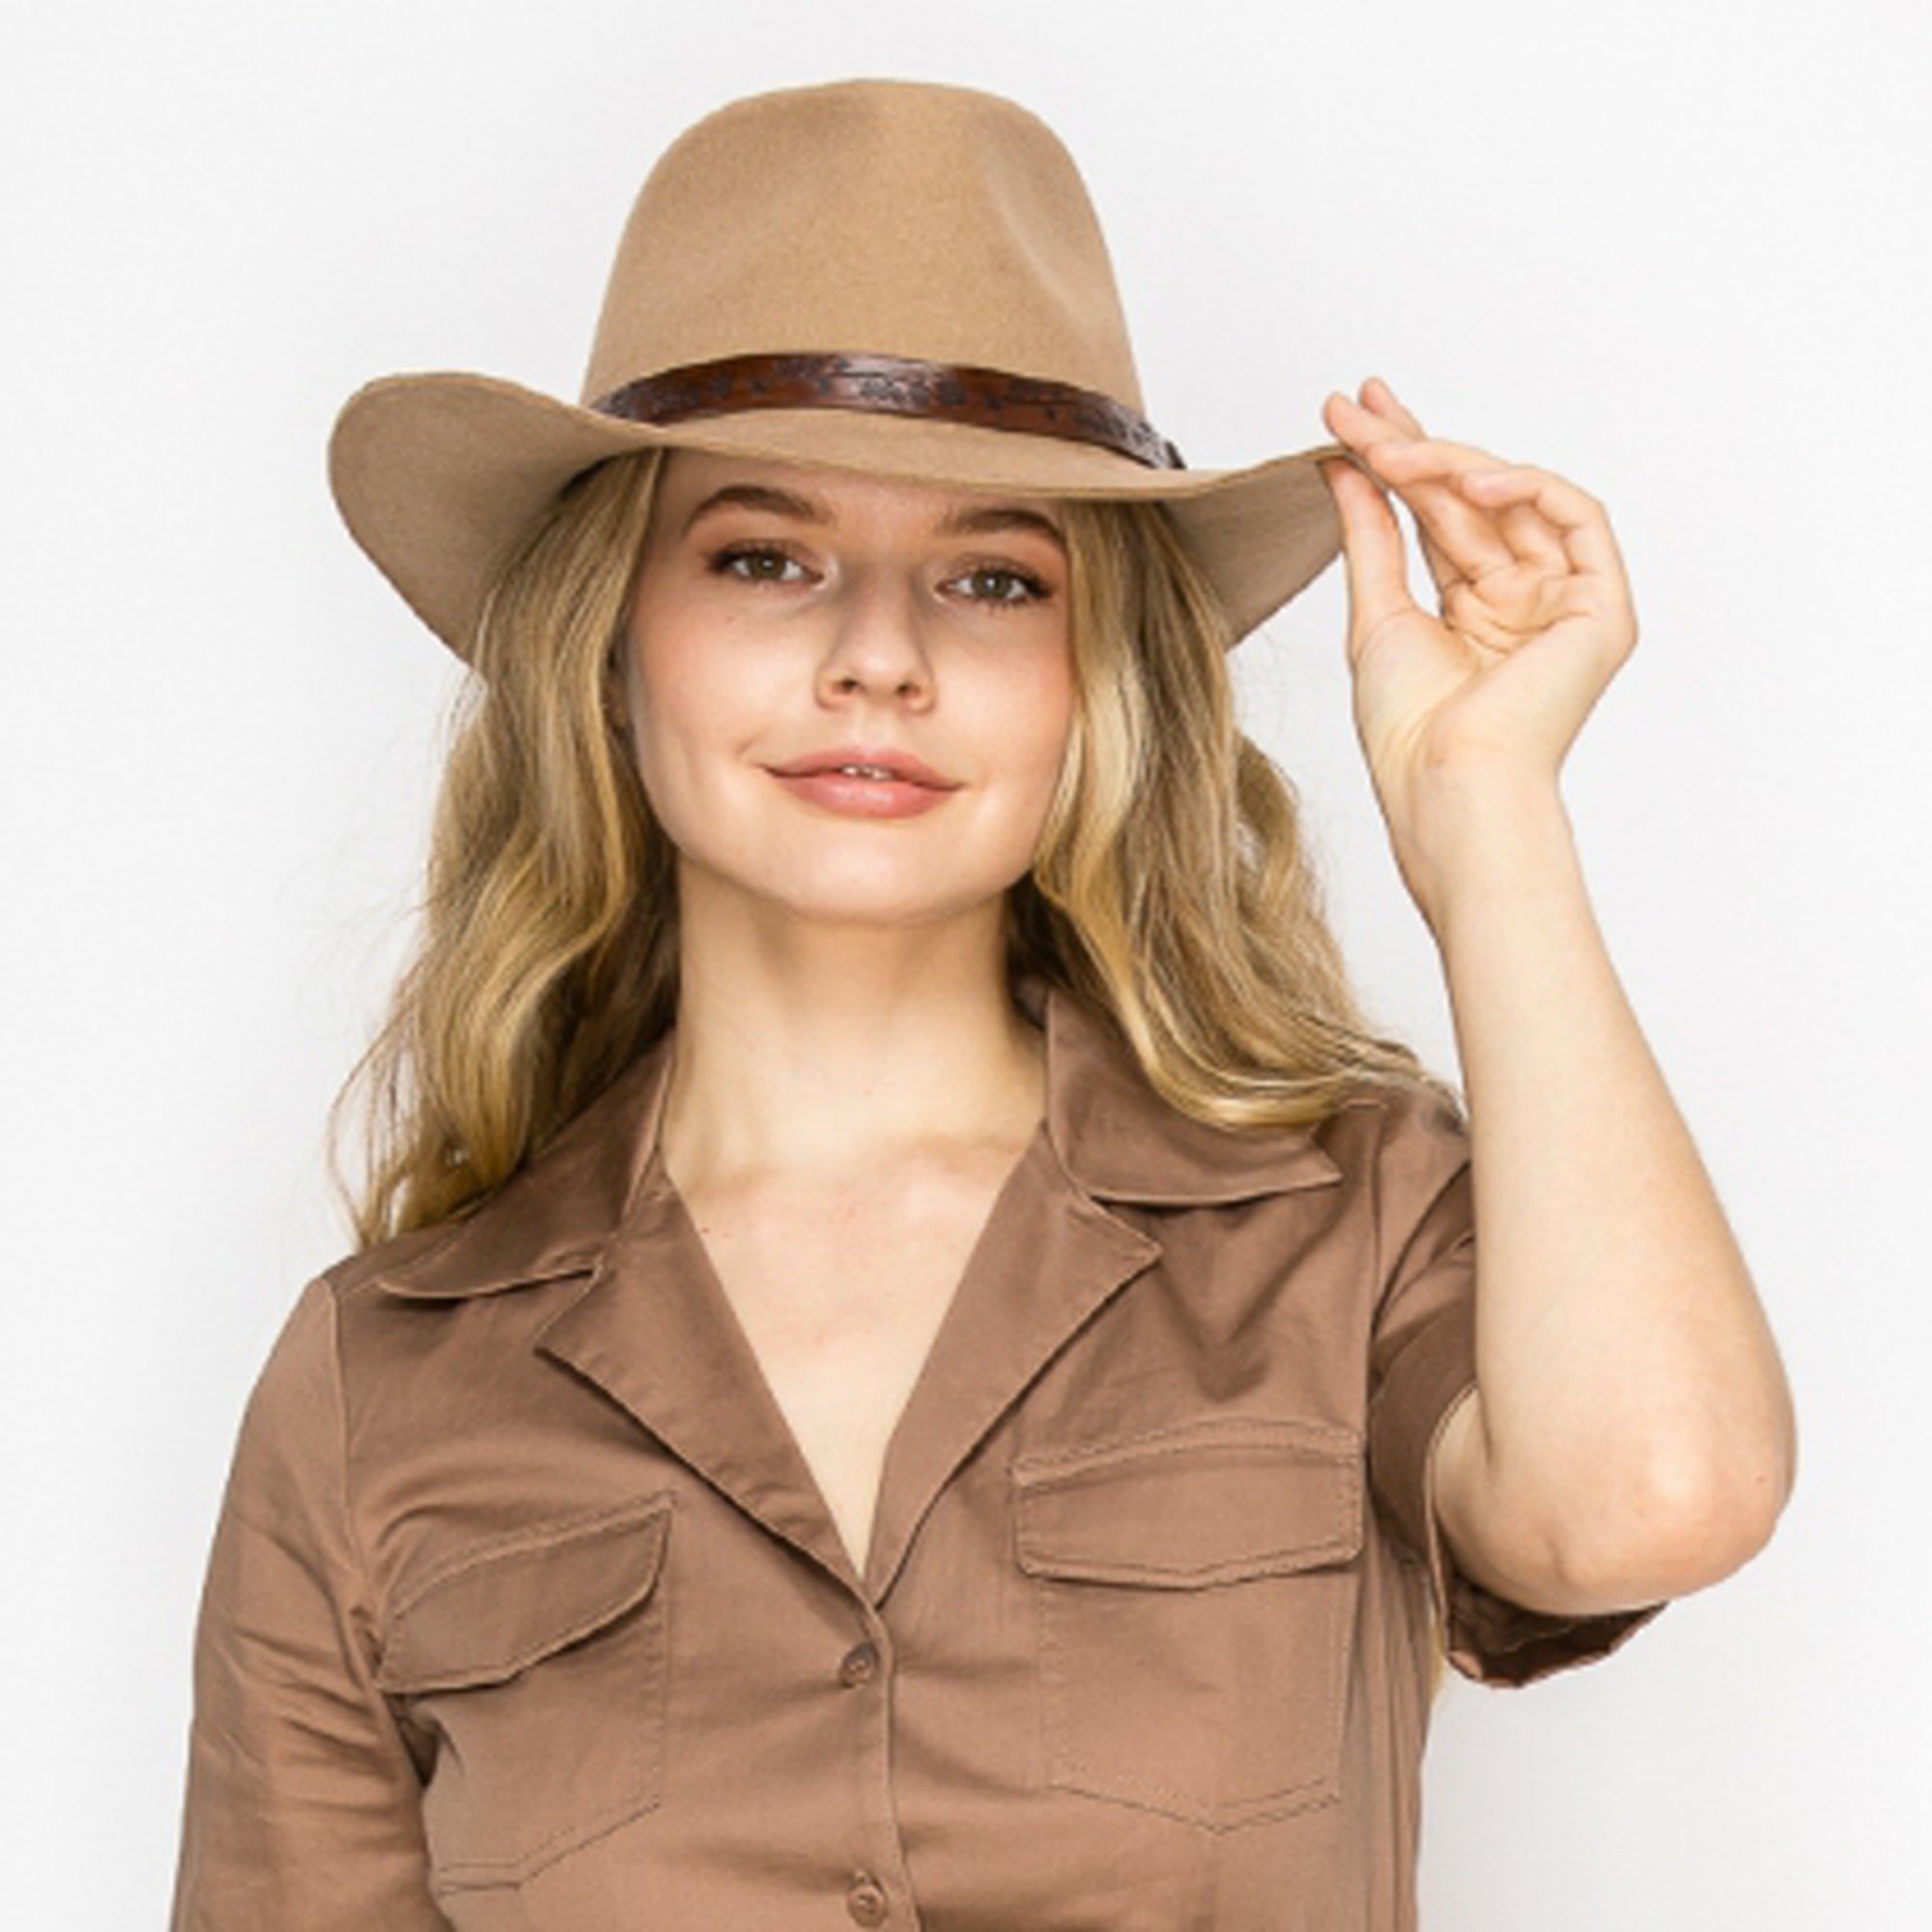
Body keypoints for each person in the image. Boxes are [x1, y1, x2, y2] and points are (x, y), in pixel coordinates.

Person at [167, 77, 1797, 1932]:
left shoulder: (1342, 1221)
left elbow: (1657, 1497)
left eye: (993, 578)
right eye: (764, 558)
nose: (879, 657)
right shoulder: (380, 1383)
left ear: (1094, 679)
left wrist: (1487, 820)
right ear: (609, 647)